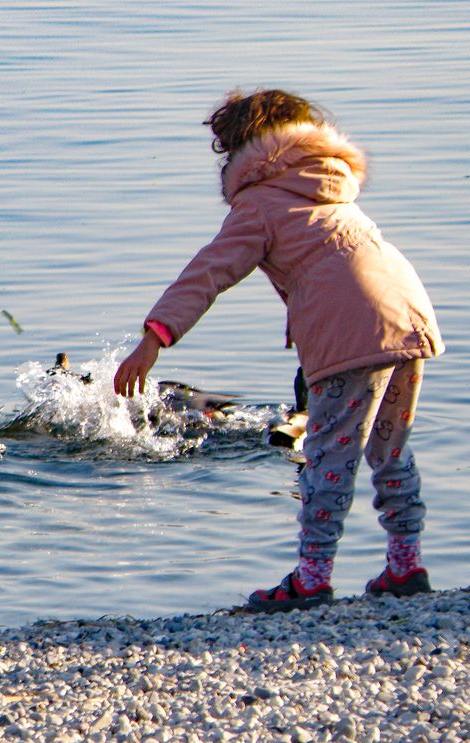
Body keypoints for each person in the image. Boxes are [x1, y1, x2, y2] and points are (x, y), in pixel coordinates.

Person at [112, 89, 444, 613]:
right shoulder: (329, 187)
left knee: (328, 453)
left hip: (351, 326)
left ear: (243, 150)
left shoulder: (262, 202)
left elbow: (209, 272)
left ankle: (312, 578)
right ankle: (406, 565)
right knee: (389, 446)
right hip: (408, 313)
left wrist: (155, 338)